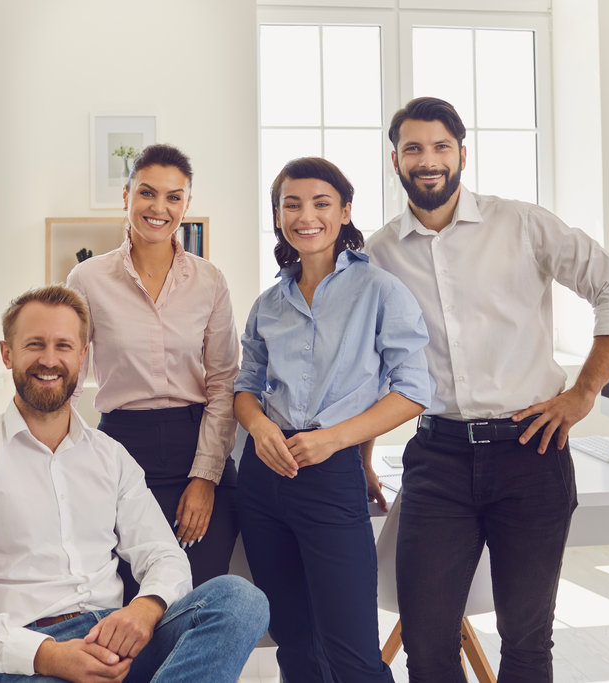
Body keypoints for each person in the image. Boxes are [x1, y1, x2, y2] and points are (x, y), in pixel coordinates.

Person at [364, 97, 609, 682]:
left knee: (526, 639)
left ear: (462, 155)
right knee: (426, 641)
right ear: (395, 161)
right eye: (413, 148)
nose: (428, 160)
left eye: (441, 147)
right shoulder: (379, 253)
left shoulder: (522, 224)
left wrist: (583, 393)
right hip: (438, 457)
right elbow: (368, 364)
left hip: (531, 451)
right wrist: (364, 457)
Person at [0, 285, 269, 683]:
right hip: (26, 656)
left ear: (82, 356)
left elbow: (164, 555)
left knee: (241, 600)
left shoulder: (110, 456)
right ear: (7, 354)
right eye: (35, 344)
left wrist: (145, 609)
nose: (49, 360)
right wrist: (49, 656)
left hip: (114, 638)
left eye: (63, 346)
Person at [234, 157, 433, 682]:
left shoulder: (380, 291)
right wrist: (259, 427)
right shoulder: (268, 302)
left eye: (321, 203)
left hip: (329, 474)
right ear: (278, 216)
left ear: (345, 211)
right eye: (291, 204)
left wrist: (335, 442)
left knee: (353, 654)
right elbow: (244, 386)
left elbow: (414, 391)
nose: (306, 216)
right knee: (294, 642)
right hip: (262, 478)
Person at [66, 144, 240, 600]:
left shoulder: (209, 280)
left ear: (186, 204)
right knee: (131, 601)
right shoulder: (87, 280)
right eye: (147, 193)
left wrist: (205, 477)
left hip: (196, 447)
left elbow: (223, 383)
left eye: (173, 197)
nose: (159, 207)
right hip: (122, 448)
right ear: (126, 196)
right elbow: (68, 381)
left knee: (198, 601)